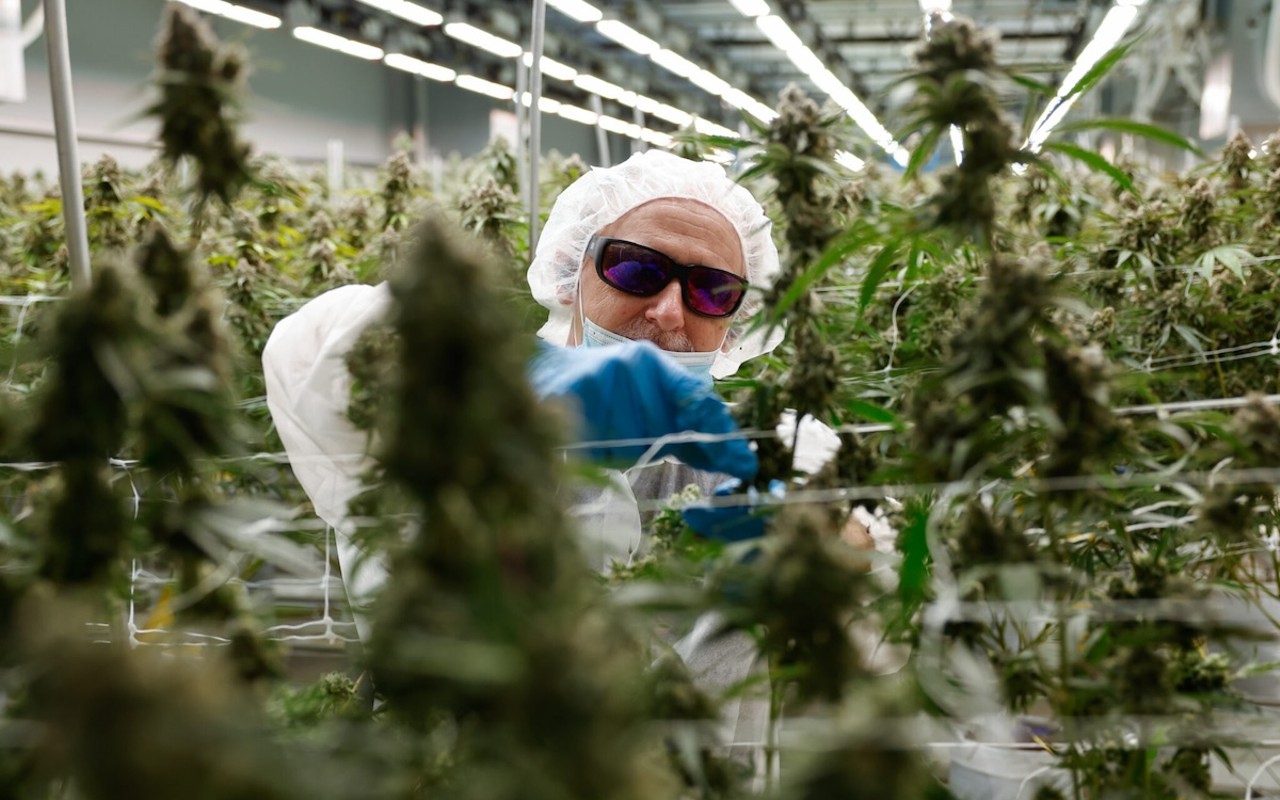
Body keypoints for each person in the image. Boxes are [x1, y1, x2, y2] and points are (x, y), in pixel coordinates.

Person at [263, 148, 840, 777]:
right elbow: (310, 354)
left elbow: (884, 622)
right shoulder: (452, 425)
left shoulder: (755, 457)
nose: (670, 311)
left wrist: (832, 534)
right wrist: (528, 384)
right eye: (636, 269)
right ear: (572, 278)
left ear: (734, 326)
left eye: (712, 289)